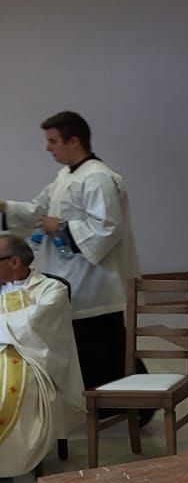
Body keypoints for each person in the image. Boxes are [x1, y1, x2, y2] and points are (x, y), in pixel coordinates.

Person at [2, 111, 140, 391]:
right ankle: (99, 401)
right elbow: (38, 210)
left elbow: (107, 228)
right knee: (85, 346)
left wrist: (61, 226)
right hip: (72, 274)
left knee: (104, 346)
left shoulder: (98, 177)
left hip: (97, 280)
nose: (47, 147)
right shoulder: (65, 175)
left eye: (53, 141)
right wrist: (5, 207)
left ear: (74, 141)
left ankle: (128, 402)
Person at [0, 234, 83, 479]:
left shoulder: (51, 289)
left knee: (7, 393)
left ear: (14, 262)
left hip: (33, 360)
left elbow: (36, 322)